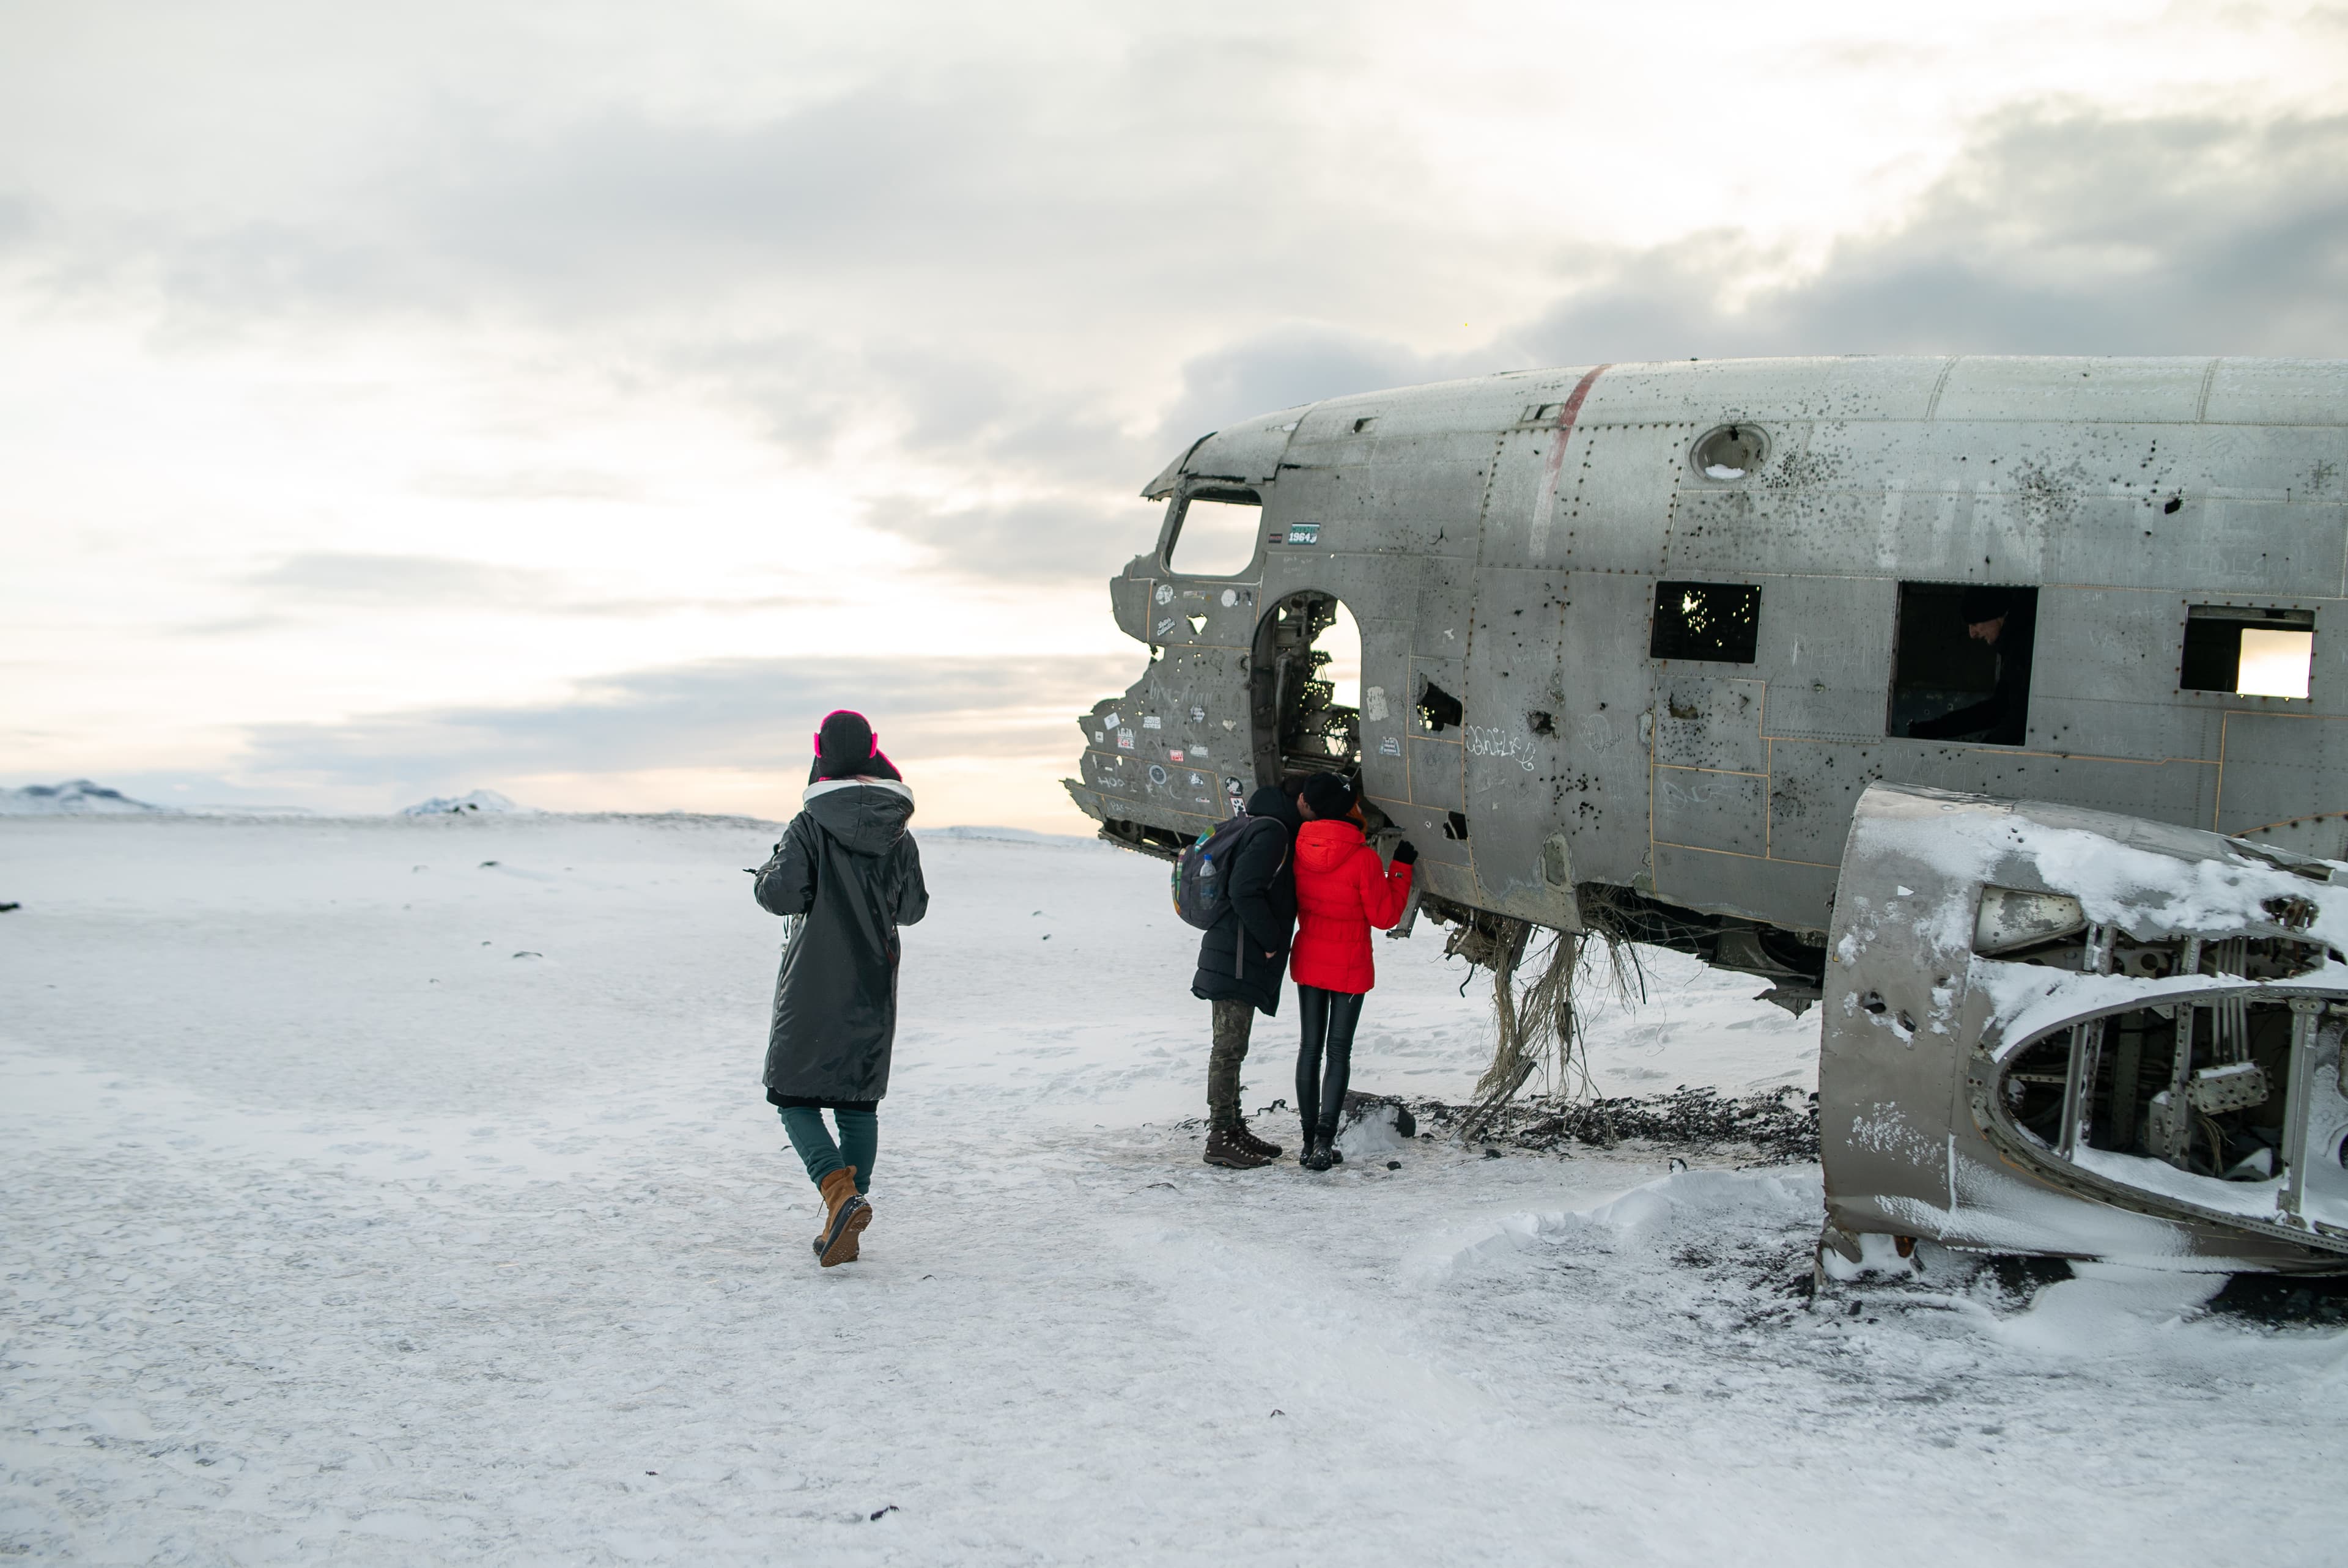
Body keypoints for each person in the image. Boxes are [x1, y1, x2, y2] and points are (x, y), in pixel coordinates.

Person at [753, 709, 929, 1267]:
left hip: (811, 983)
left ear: (819, 751)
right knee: (857, 1104)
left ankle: (839, 1195)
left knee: (791, 1094)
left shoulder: (808, 822)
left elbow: (781, 894)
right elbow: (914, 908)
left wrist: (765, 872)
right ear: (874, 749)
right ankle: (844, 1213)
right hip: (874, 981)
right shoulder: (898, 828)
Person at [1288, 773, 1416, 1171]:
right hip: (1348, 965)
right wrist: (1400, 868)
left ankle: (1309, 1142)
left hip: (1310, 956)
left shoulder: (1300, 846)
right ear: (1349, 809)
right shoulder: (1362, 857)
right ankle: (1326, 1142)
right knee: (1337, 1051)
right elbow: (1385, 915)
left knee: (1309, 1049)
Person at [1190, 780, 1305, 1169]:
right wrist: (1272, 940)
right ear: (1297, 801)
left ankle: (1234, 1129)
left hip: (1233, 952)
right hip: (1237, 956)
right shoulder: (1272, 832)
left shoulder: (1257, 824)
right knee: (1228, 1048)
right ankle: (1221, 1136)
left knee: (1232, 1046)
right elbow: (1243, 890)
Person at [1908, 586, 2037, 745]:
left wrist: (1981, 756)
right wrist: (1936, 728)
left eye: (1975, 623)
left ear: (1996, 616)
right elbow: (1999, 708)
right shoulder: (2016, 645)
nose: (1972, 634)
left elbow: (2019, 716)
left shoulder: (2023, 649)